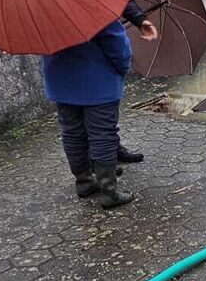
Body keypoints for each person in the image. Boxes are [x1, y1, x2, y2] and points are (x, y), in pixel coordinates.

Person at [43, 18, 136, 209]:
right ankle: (110, 191)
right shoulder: (89, 4)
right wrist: (122, 68)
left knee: (72, 133)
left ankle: (84, 182)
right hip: (98, 82)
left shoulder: (39, 9)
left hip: (61, 81)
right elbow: (116, 43)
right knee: (103, 135)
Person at [118, 0, 158, 163]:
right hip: (99, 72)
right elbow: (114, 47)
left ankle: (87, 179)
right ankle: (102, 178)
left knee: (75, 129)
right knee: (100, 122)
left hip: (59, 79)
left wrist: (139, 19)